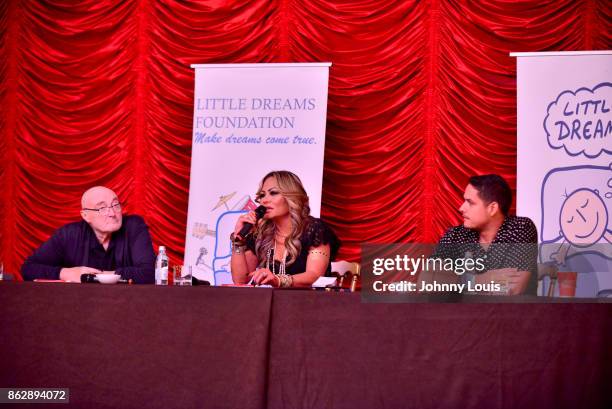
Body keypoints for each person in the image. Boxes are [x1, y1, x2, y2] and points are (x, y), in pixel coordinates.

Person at [21, 186, 155, 284]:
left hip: (129, 307)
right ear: (85, 215)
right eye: (102, 208)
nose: (112, 213)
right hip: (79, 307)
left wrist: (96, 277)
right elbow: (28, 269)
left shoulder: (134, 227)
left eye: (115, 205)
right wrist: (67, 273)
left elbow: (149, 274)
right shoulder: (69, 234)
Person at [231, 171, 340, 287]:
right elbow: (240, 281)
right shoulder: (260, 233)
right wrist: (238, 240)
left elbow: (314, 275)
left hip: (311, 301)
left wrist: (278, 280)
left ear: (291, 196)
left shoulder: (314, 229)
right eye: (262, 195)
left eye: (273, 193)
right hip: (271, 302)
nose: (264, 200)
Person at [433, 174, 538, 295]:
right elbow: (427, 281)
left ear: (492, 208)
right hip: (464, 313)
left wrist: (455, 283)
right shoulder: (455, 235)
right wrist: (476, 280)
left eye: (470, 202)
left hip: (510, 313)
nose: (461, 207)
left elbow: (511, 290)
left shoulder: (520, 228)